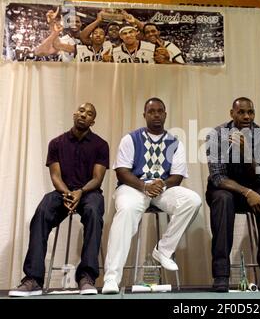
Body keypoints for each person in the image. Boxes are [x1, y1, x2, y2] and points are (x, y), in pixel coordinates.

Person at [8, 103, 110, 297]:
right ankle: (33, 279)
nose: (84, 115)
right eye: (81, 111)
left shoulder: (100, 145)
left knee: (93, 211)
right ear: (74, 113)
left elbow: (97, 179)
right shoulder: (56, 143)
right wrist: (68, 194)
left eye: (89, 114)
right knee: (42, 211)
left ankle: (86, 277)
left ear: (93, 121)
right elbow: (55, 176)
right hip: (63, 192)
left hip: (89, 192)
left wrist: (80, 192)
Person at [102, 97, 201, 294]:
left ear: (165, 114)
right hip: (133, 187)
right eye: (151, 111)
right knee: (127, 210)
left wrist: (161, 184)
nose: (156, 114)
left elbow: (178, 176)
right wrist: (143, 186)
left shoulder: (175, 143)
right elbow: (121, 170)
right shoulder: (131, 138)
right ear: (144, 115)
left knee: (192, 200)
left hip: (162, 189)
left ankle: (163, 249)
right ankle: (112, 278)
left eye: (160, 111)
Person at [205, 97, 260, 292]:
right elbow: (217, 176)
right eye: (241, 112)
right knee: (223, 200)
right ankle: (221, 274)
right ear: (232, 113)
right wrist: (246, 192)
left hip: (254, 186)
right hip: (225, 189)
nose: (247, 116)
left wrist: (247, 154)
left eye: (250, 112)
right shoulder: (217, 135)